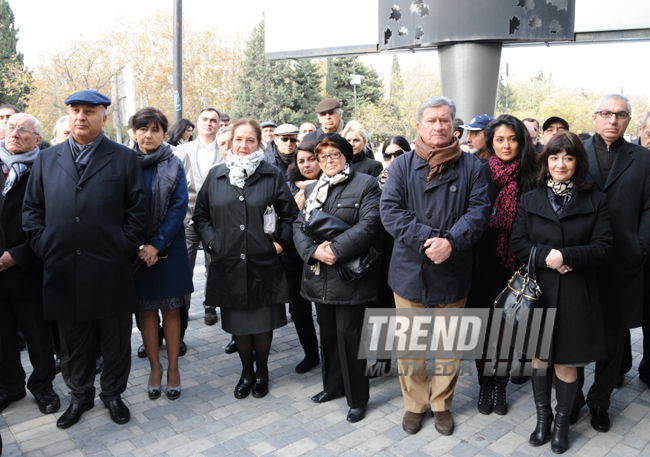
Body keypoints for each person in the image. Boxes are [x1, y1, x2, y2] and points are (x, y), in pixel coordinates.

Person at [22, 89, 148, 429]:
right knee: (73, 341)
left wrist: (123, 246)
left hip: (110, 268)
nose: (81, 116)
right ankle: (79, 396)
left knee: (115, 339)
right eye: (76, 110)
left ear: (103, 117)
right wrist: (45, 245)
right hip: (63, 267)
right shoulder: (47, 160)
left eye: (89, 111)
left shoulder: (123, 158)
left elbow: (138, 212)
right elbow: (32, 210)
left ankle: (113, 394)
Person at [380, 95, 489, 436]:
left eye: (445, 120)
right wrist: (429, 240)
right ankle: (415, 405)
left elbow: (479, 212)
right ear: (419, 126)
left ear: (454, 125)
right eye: (432, 120)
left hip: (453, 267)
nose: (439, 126)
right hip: (410, 269)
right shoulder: (401, 166)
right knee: (410, 348)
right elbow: (391, 213)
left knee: (449, 347)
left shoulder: (474, 168)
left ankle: (441, 405)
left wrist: (451, 242)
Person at [511, 131, 612, 454]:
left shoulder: (595, 199)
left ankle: (562, 425)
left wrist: (567, 256)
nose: (560, 163)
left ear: (577, 162)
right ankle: (543, 420)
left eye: (568, 157)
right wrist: (547, 257)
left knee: (566, 364)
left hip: (576, 293)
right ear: (546, 161)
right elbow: (518, 243)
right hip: (540, 293)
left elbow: (603, 247)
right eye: (554, 157)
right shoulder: (530, 199)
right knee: (540, 360)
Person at [193, 119, 298, 400]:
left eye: (250, 140)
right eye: (238, 139)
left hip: (264, 262)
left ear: (259, 144)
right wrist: (214, 243)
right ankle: (246, 372)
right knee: (238, 324)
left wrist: (280, 245)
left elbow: (289, 215)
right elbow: (200, 216)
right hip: (229, 264)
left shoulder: (271, 175)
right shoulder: (216, 176)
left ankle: (262, 371)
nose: (243, 145)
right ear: (228, 142)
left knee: (262, 323)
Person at [572, 94, 650, 432]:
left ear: (629, 121)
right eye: (606, 113)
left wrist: (640, 245)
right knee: (573, 334)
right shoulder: (575, 154)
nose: (612, 120)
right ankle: (571, 399)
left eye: (620, 115)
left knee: (614, 338)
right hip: (581, 260)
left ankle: (600, 402)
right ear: (594, 117)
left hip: (623, 261)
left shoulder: (643, 159)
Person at [293, 132, 382, 423]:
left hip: (350, 275)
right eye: (323, 157)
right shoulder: (313, 187)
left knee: (350, 337)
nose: (328, 161)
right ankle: (332, 387)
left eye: (334, 155)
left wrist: (335, 251)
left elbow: (370, 225)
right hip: (319, 275)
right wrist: (312, 252)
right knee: (328, 335)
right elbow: (298, 225)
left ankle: (358, 398)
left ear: (346, 156)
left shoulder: (366, 184)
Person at [468, 114, 539, 416]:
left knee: (508, 326)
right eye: (500, 139)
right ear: (490, 141)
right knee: (484, 326)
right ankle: (485, 381)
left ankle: (500, 382)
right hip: (483, 261)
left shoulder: (533, 175)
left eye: (512, 139)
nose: (506, 145)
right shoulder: (478, 172)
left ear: (521, 141)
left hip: (518, 262)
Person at [131, 108, 193, 401]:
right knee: (145, 310)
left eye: (155, 129)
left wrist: (156, 244)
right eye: (143, 128)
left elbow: (179, 207)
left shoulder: (174, 163)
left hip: (168, 248)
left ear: (164, 133)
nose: (148, 135)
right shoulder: (122, 163)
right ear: (133, 132)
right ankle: (155, 368)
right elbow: (119, 209)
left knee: (170, 309)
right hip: (135, 250)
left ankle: (173, 369)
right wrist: (140, 245)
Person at [0, 113, 60, 416]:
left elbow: (52, 221)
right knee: (3, 336)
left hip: (28, 268)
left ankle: (43, 386)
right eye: (11, 128)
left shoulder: (47, 168)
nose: (15, 134)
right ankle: (10, 385)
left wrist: (18, 255)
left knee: (38, 336)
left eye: (24, 130)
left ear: (37, 139)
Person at [174, 107, 222, 327]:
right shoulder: (182, 151)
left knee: (215, 267)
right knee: (185, 268)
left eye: (213, 120)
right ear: (197, 122)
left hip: (217, 221)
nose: (209, 123)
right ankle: (182, 312)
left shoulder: (225, 150)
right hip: (189, 219)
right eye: (204, 119)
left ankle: (210, 306)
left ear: (219, 125)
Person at [283, 141, 321, 373]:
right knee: (299, 309)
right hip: (294, 254)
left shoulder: (331, 183)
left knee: (325, 310)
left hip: (323, 252)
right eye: (301, 161)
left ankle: (330, 353)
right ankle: (310, 353)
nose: (306, 164)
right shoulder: (288, 185)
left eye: (311, 159)